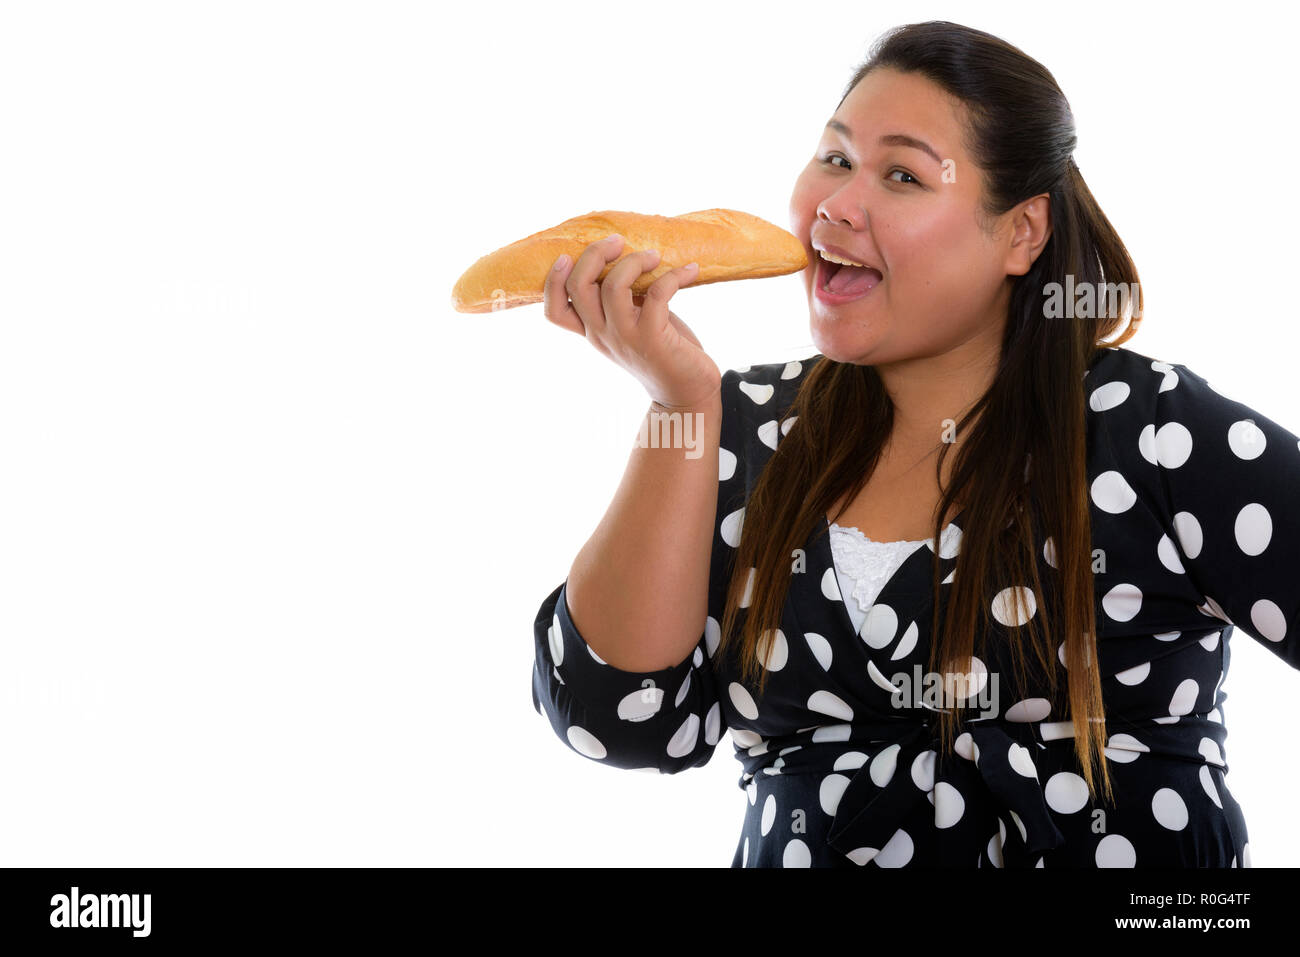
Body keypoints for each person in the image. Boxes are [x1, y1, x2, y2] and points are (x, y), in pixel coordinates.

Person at [529, 20, 1299, 867]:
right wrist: (677, 398)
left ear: (1022, 232)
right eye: (833, 158)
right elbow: (625, 722)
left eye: (900, 174)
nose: (836, 205)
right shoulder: (735, 419)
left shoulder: (1148, 428)